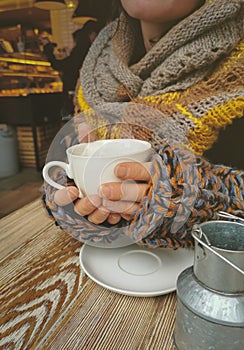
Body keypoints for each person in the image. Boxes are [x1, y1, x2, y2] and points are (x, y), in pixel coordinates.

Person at [43, 0, 244, 249]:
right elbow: (64, 165)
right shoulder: (95, 69)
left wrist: (203, 198)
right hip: (103, 274)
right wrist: (72, 200)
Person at [41, 20, 100, 121]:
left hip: (77, 94)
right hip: (83, 95)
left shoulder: (82, 51)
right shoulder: (91, 51)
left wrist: (48, 48)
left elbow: (60, 65)